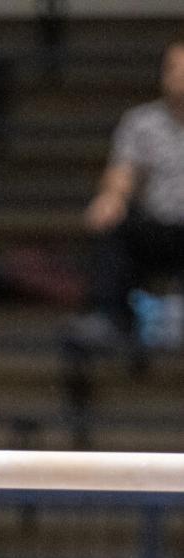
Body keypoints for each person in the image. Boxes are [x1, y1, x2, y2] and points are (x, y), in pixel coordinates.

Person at [70, 35, 184, 362]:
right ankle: (110, 318)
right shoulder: (142, 122)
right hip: (158, 227)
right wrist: (111, 197)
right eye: (175, 68)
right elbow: (123, 171)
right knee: (112, 225)